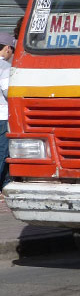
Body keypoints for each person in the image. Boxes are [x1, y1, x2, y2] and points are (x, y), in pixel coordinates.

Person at [0, 31, 15, 190]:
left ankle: (4, 184)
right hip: (2, 116)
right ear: (7, 49)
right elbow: (7, 92)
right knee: (2, 152)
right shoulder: (4, 66)